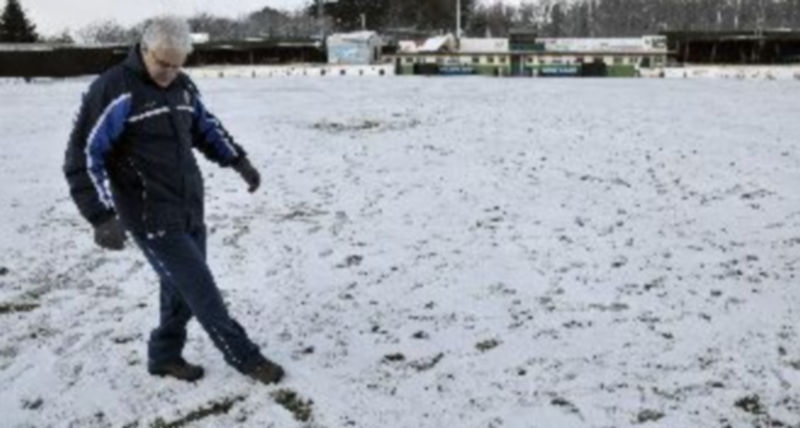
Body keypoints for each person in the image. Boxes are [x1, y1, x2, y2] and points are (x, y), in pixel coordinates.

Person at [63, 16, 284, 384]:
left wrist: (238, 160)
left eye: (177, 64)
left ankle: (164, 355)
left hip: (188, 206)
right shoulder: (114, 89)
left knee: (179, 288)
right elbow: (84, 157)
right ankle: (245, 357)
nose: (169, 72)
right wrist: (101, 216)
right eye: (162, 63)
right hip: (150, 216)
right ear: (144, 49)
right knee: (201, 290)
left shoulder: (182, 86)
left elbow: (205, 126)